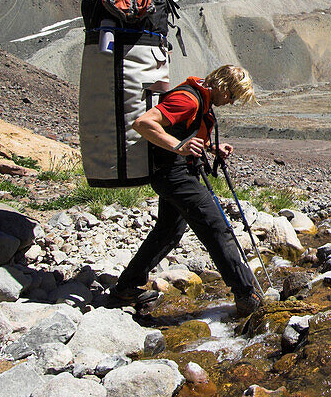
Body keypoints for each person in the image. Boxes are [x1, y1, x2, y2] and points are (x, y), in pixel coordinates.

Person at [109, 64, 264, 317]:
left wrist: (212, 148)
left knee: (170, 231)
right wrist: (178, 146)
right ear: (224, 86)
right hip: (176, 175)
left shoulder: (200, 97)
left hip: (174, 173)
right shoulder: (188, 100)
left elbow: (184, 131)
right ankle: (247, 295)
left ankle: (126, 287)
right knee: (217, 227)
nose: (232, 102)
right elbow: (144, 123)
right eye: (233, 96)